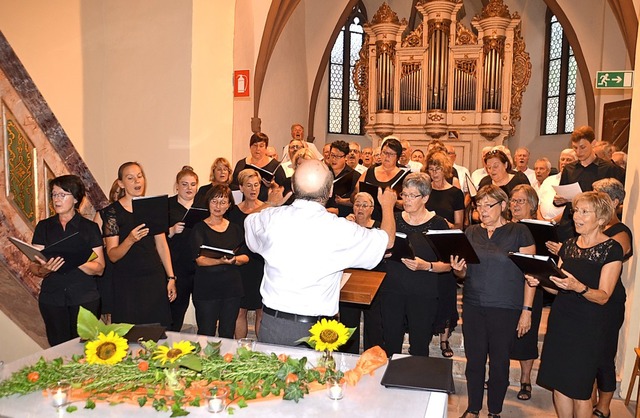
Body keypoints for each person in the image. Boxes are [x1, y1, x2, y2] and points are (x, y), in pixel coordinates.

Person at [244, 159, 397, 346]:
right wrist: (388, 206)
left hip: (272, 323)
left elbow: (249, 221)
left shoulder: (270, 218)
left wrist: (270, 203)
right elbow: (387, 241)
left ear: (292, 186)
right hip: (316, 330)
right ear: (331, 191)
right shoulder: (340, 229)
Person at [531, 191, 623, 418]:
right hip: (562, 319)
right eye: (576, 211)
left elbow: (604, 296)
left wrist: (578, 287)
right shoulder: (569, 245)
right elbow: (557, 287)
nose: (576, 217)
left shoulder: (612, 249)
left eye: (584, 212)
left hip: (589, 325)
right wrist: (541, 280)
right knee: (559, 382)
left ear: (601, 218)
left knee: (580, 389)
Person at [451, 185, 536, 418]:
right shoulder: (470, 232)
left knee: (500, 363)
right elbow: (463, 273)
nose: (482, 210)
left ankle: (495, 411)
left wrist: (526, 310)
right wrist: (458, 270)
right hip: (474, 304)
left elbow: (532, 276)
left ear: (503, 206)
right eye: (479, 205)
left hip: (505, 307)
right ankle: (473, 408)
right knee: (474, 361)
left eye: (488, 205)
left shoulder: (519, 232)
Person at [380, 172, 452, 357]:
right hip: (392, 290)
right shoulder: (394, 219)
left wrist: (426, 265)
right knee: (391, 342)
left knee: (419, 346)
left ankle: (416, 383)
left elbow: (448, 265)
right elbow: (380, 245)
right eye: (404, 195)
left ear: (425, 198)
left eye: (413, 195)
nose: (407, 200)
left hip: (423, 293)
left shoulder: (438, 223)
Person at [30, 175, 105, 346]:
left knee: (84, 351)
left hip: (84, 298)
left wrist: (74, 258)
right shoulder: (44, 227)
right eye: (54, 194)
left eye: (62, 194)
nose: (57, 199)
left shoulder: (89, 228)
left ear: (76, 198)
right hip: (52, 299)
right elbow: (34, 266)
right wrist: (45, 270)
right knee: (58, 350)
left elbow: (100, 268)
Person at [103, 162, 177, 326]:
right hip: (126, 282)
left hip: (153, 278)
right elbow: (112, 255)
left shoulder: (153, 206)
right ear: (121, 183)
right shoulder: (113, 212)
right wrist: (130, 239)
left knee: (158, 332)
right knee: (129, 335)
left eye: (140, 176)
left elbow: (162, 245)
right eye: (130, 178)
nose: (137, 181)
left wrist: (171, 277)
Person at [590, 179, 633, 418]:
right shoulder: (596, 228)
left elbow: (609, 255)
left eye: (598, 196)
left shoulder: (621, 232)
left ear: (614, 202)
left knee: (604, 355)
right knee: (591, 353)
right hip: (590, 298)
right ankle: (591, 398)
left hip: (609, 300)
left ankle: (604, 407)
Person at [190, 184, 249, 337]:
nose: (218, 206)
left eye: (223, 202)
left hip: (231, 288)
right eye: (214, 201)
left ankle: (225, 360)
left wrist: (234, 260)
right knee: (206, 331)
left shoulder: (236, 228)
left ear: (229, 205)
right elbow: (199, 260)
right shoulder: (199, 228)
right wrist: (221, 261)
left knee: (228, 332)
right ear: (208, 202)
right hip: (207, 288)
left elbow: (246, 256)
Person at [507, 184, 545, 402]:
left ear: (532, 205)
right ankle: (497, 374)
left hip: (531, 285)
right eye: (513, 201)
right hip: (506, 287)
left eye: (520, 201)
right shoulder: (503, 226)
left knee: (527, 336)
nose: (515, 205)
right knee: (500, 334)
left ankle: (525, 379)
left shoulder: (541, 229)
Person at [554, 126, 625, 241]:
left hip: (595, 227)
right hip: (570, 226)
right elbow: (560, 197)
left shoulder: (609, 169)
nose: (578, 152)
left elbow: (618, 200)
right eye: (575, 148)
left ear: (593, 144)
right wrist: (559, 200)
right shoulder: (569, 169)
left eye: (582, 147)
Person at [424, 152, 464, 358]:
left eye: (437, 169)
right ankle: (425, 332)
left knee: (446, 294)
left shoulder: (455, 193)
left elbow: (460, 225)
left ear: (446, 170)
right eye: (430, 169)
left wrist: (448, 225)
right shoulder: (425, 191)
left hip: (446, 247)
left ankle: (444, 339)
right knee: (428, 293)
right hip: (426, 247)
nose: (434, 173)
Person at [340, 192, 384, 353]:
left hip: (373, 280)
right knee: (347, 325)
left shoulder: (378, 227)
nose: (360, 208)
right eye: (357, 204)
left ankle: (371, 361)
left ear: (372, 209)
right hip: (349, 280)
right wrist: (346, 227)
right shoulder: (346, 226)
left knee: (374, 326)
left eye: (365, 205)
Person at [227, 169, 266, 339]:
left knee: (261, 311)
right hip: (240, 265)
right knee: (240, 311)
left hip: (261, 264)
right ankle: (239, 349)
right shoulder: (233, 211)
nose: (253, 189)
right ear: (241, 188)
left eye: (256, 185)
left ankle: (262, 351)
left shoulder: (267, 209)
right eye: (249, 185)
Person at [166, 166, 199, 331]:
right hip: (176, 267)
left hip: (199, 267)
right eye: (184, 184)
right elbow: (155, 236)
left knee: (203, 313)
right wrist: (171, 231)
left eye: (193, 184)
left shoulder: (203, 206)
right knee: (176, 312)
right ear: (177, 186)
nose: (189, 188)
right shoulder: (167, 206)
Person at [93, 179, 124, 322]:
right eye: (117, 192)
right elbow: (92, 242)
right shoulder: (103, 214)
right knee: (109, 308)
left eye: (122, 192)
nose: (120, 195)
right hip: (108, 266)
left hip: (129, 264)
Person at [356, 136, 406, 221]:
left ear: (397, 157)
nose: (387, 156)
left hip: (392, 218)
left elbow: (409, 203)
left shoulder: (404, 176)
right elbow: (355, 194)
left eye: (391, 154)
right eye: (384, 153)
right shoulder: (369, 171)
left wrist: (393, 201)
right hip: (369, 219)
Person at [232, 132, 280, 202]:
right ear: (250, 147)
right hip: (245, 204)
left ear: (266, 148)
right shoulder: (241, 164)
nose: (257, 149)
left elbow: (283, 189)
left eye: (261, 146)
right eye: (255, 145)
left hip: (267, 206)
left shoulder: (275, 165)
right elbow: (234, 185)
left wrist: (273, 185)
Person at [537, 148, 577, 223]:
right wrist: (541, 220)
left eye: (568, 160)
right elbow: (538, 203)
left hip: (562, 224)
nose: (564, 163)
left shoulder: (574, 182)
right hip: (542, 223)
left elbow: (570, 207)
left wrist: (553, 221)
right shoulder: (548, 180)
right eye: (562, 159)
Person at [326, 140, 359, 217]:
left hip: (344, 218)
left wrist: (339, 211)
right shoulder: (323, 172)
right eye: (332, 155)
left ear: (345, 157)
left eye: (338, 156)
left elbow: (357, 202)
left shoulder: (355, 176)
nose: (334, 159)